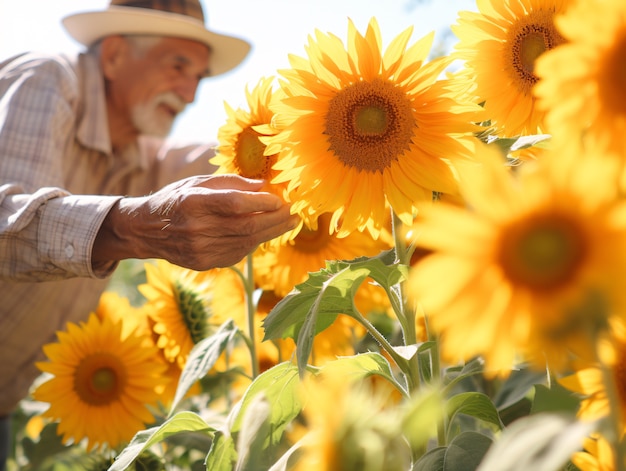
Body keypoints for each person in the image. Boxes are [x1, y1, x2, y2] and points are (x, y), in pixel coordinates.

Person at [0, 0, 297, 466]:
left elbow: (209, 159)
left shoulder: (137, 152)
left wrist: (311, 140)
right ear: (115, 55)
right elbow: (3, 222)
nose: (190, 93)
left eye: (199, 77)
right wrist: (131, 225)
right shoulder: (47, 79)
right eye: (178, 65)